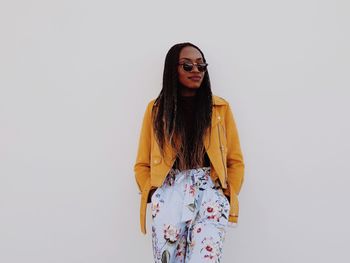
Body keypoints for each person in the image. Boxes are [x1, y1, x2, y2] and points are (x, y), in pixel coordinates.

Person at [134, 42, 245, 262]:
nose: (196, 70)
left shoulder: (219, 109)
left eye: (201, 65)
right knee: (168, 259)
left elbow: (235, 160)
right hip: (169, 192)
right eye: (187, 66)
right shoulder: (156, 110)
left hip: (209, 193)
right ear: (172, 70)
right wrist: (156, 194)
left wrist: (224, 194)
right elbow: (142, 163)